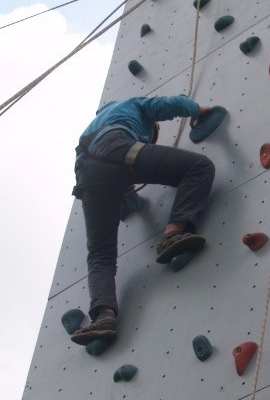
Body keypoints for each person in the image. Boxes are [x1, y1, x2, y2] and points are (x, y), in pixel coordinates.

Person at [70, 95, 216, 346]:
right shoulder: (130, 106)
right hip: (115, 148)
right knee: (199, 167)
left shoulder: (94, 124)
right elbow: (166, 106)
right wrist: (198, 108)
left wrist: (127, 197)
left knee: (100, 254)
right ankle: (173, 234)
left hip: (87, 178)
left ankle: (103, 315)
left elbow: (108, 172)